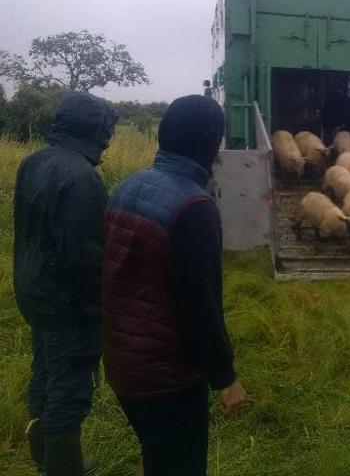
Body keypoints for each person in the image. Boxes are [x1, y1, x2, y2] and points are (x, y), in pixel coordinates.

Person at [102, 94, 246, 476]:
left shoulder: (127, 186)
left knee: (158, 451)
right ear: (210, 143)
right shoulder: (193, 208)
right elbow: (201, 305)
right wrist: (224, 376)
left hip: (121, 361)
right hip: (165, 378)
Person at [13, 91, 118, 476]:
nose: (108, 140)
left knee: (45, 369)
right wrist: (97, 314)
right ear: (93, 130)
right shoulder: (83, 180)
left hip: (32, 292)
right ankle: (63, 467)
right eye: (106, 131)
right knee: (71, 388)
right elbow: (85, 260)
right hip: (66, 304)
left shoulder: (33, 162)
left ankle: (44, 454)